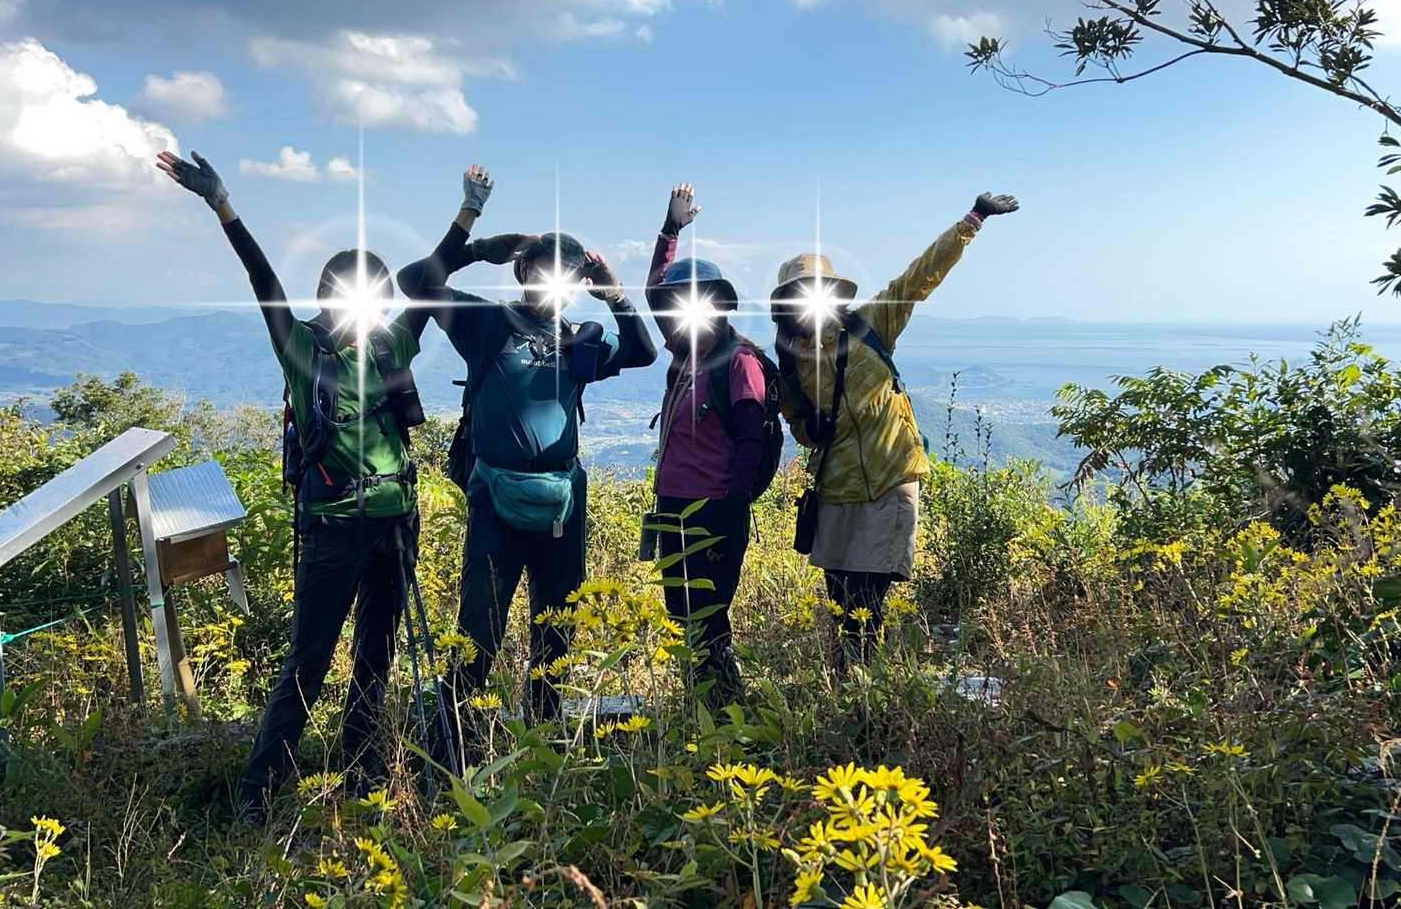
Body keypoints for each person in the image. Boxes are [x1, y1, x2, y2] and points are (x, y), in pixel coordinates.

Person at [157, 147, 493, 819]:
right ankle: (259, 794)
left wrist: (468, 213)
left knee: (377, 656)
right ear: (327, 296)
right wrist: (223, 206)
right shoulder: (303, 348)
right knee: (307, 663)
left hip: (395, 521)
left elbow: (432, 275)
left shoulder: (390, 344)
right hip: (333, 527)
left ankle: (362, 769)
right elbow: (262, 280)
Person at [396, 208, 657, 770]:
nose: (555, 283)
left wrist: (615, 294)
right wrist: (480, 247)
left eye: (568, 276)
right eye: (544, 269)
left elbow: (643, 352)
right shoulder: (488, 324)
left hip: (563, 497)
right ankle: (453, 750)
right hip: (496, 496)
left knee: (557, 625)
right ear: (524, 272)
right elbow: (413, 281)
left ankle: (543, 745)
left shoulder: (580, 342)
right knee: (479, 628)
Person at [770, 191, 1020, 662]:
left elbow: (918, 277)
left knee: (868, 599)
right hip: (837, 489)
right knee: (842, 602)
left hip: (890, 480)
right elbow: (799, 428)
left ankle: (865, 682)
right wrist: (811, 427)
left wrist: (973, 219)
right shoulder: (791, 364)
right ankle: (851, 682)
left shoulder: (870, 325)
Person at [644, 183, 773, 705]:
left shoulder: (739, 361)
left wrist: (733, 502)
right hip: (672, 508)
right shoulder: (685, 353)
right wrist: (669, 231)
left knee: (709, 615)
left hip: (714, 511)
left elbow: (751, 435)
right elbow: (654, 293)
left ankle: (726, 709)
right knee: (681, 615)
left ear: (719, 307)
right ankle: (702, 705)